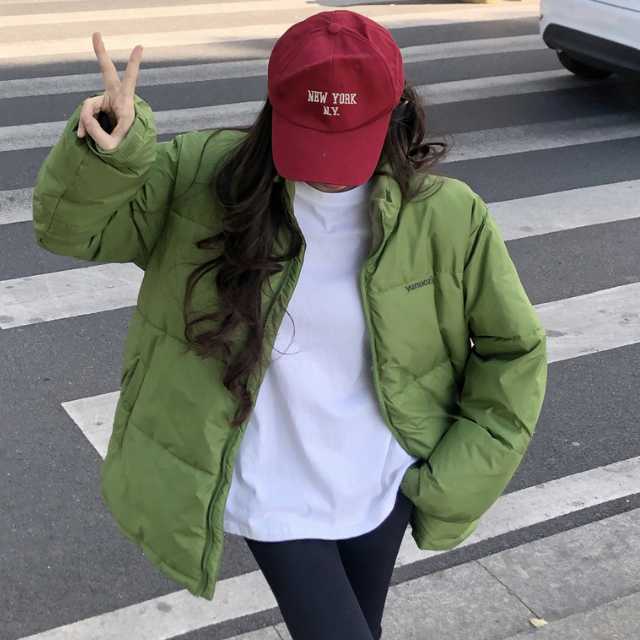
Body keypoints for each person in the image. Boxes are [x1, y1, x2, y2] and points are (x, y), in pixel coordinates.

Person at [32, 10, 548, 640]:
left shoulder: (447, 216)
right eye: (309, 137)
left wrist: (452, 478)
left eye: (346, 141)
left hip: (385, 481)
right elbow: (71, 231)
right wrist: (112, 153)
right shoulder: (203, 176)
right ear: (274, 107)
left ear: (393, 114)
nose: (324, 167)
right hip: (274, 486)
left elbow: (513, 351)